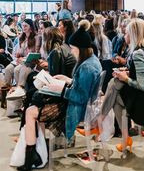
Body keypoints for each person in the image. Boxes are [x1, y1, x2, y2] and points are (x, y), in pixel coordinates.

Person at [16, 24, 102, 171]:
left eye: (74, 49)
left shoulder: (87, 67)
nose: (72, 52)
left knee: (31, 112)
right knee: (33, 107)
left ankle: (33, 157)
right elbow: (82, 87)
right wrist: (67, 80)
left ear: (81, 49)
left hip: (76, 109)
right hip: (76, 104)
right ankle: (37, 152)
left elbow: (80, 97)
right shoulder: (91, 61)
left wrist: (61, 89)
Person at [99, 18, 144, 152]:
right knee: (115, 88)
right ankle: (118, 133)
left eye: (127, 33)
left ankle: (101, 121)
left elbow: (142, 85)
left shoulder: (139, 53)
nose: (125, 36)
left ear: (134, 34)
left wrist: (125, 78)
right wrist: (127, 74)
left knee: (114, 86)